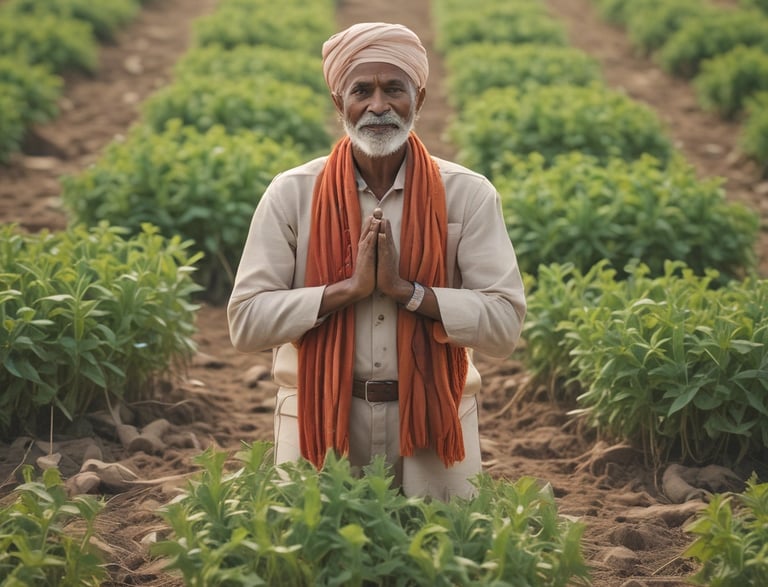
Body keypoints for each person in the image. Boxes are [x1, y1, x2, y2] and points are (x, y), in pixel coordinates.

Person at [227, 22, 526, 501]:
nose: (378, 106)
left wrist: (411, 293)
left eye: (394, 89)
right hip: (317, 415)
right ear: (338, 103)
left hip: (435, 420)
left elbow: (505, 323)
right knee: (315, 562)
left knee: (441, 560)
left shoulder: (467, 194)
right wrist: (345, 291)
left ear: (419, 99)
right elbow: (245, 323)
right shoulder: (293, 193)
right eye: (361, 90)